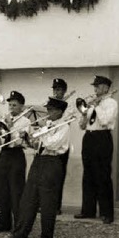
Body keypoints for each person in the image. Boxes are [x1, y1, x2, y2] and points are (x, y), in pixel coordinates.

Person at [3, 97, 71, 238]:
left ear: (59, 111)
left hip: (52, 162)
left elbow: (52, 144)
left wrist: (39, 135)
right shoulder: (47, 125)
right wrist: (28, 139)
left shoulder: (64, 127)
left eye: (51, 110)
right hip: (39, 161)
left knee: (47, 202)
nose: (48, 112)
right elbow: (36, 145)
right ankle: (20, 234)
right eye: (47, 109)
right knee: (28, 199)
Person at [74, 75, 118, 224]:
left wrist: (96, 107)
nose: (95, 89)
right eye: (95, 87)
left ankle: (107, 213)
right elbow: (82, 126)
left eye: (98, 87)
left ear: (105, 88)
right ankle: (88, 210)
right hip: (89, 138)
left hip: (102, 138)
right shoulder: (93, 104)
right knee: (88, 175)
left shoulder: (111, 102)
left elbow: (105, 121)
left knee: (103, 176)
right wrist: (85, 114)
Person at [0, 91, 30, 233]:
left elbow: (19, 141)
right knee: (1, 189)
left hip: (16, 155)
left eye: (15, 105)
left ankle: (18, 225)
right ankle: (2, 223)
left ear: (22, 106)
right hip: (4, 154)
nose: (11, 108)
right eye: (10, 105)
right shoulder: (4, 118)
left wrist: (9, 127)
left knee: (16, 192)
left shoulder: (25, 121)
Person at [51, 78, 71, 214]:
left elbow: (66, 121)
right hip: (49, 143)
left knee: (59, 176)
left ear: (64, 91)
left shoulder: (69, 106)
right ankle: (46, 204)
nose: (56, 92)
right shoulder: (51, 103)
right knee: (48, 176)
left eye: (59, 90)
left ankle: (56, 206)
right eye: (54, 89)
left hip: (62, 145)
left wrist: (60, 107)